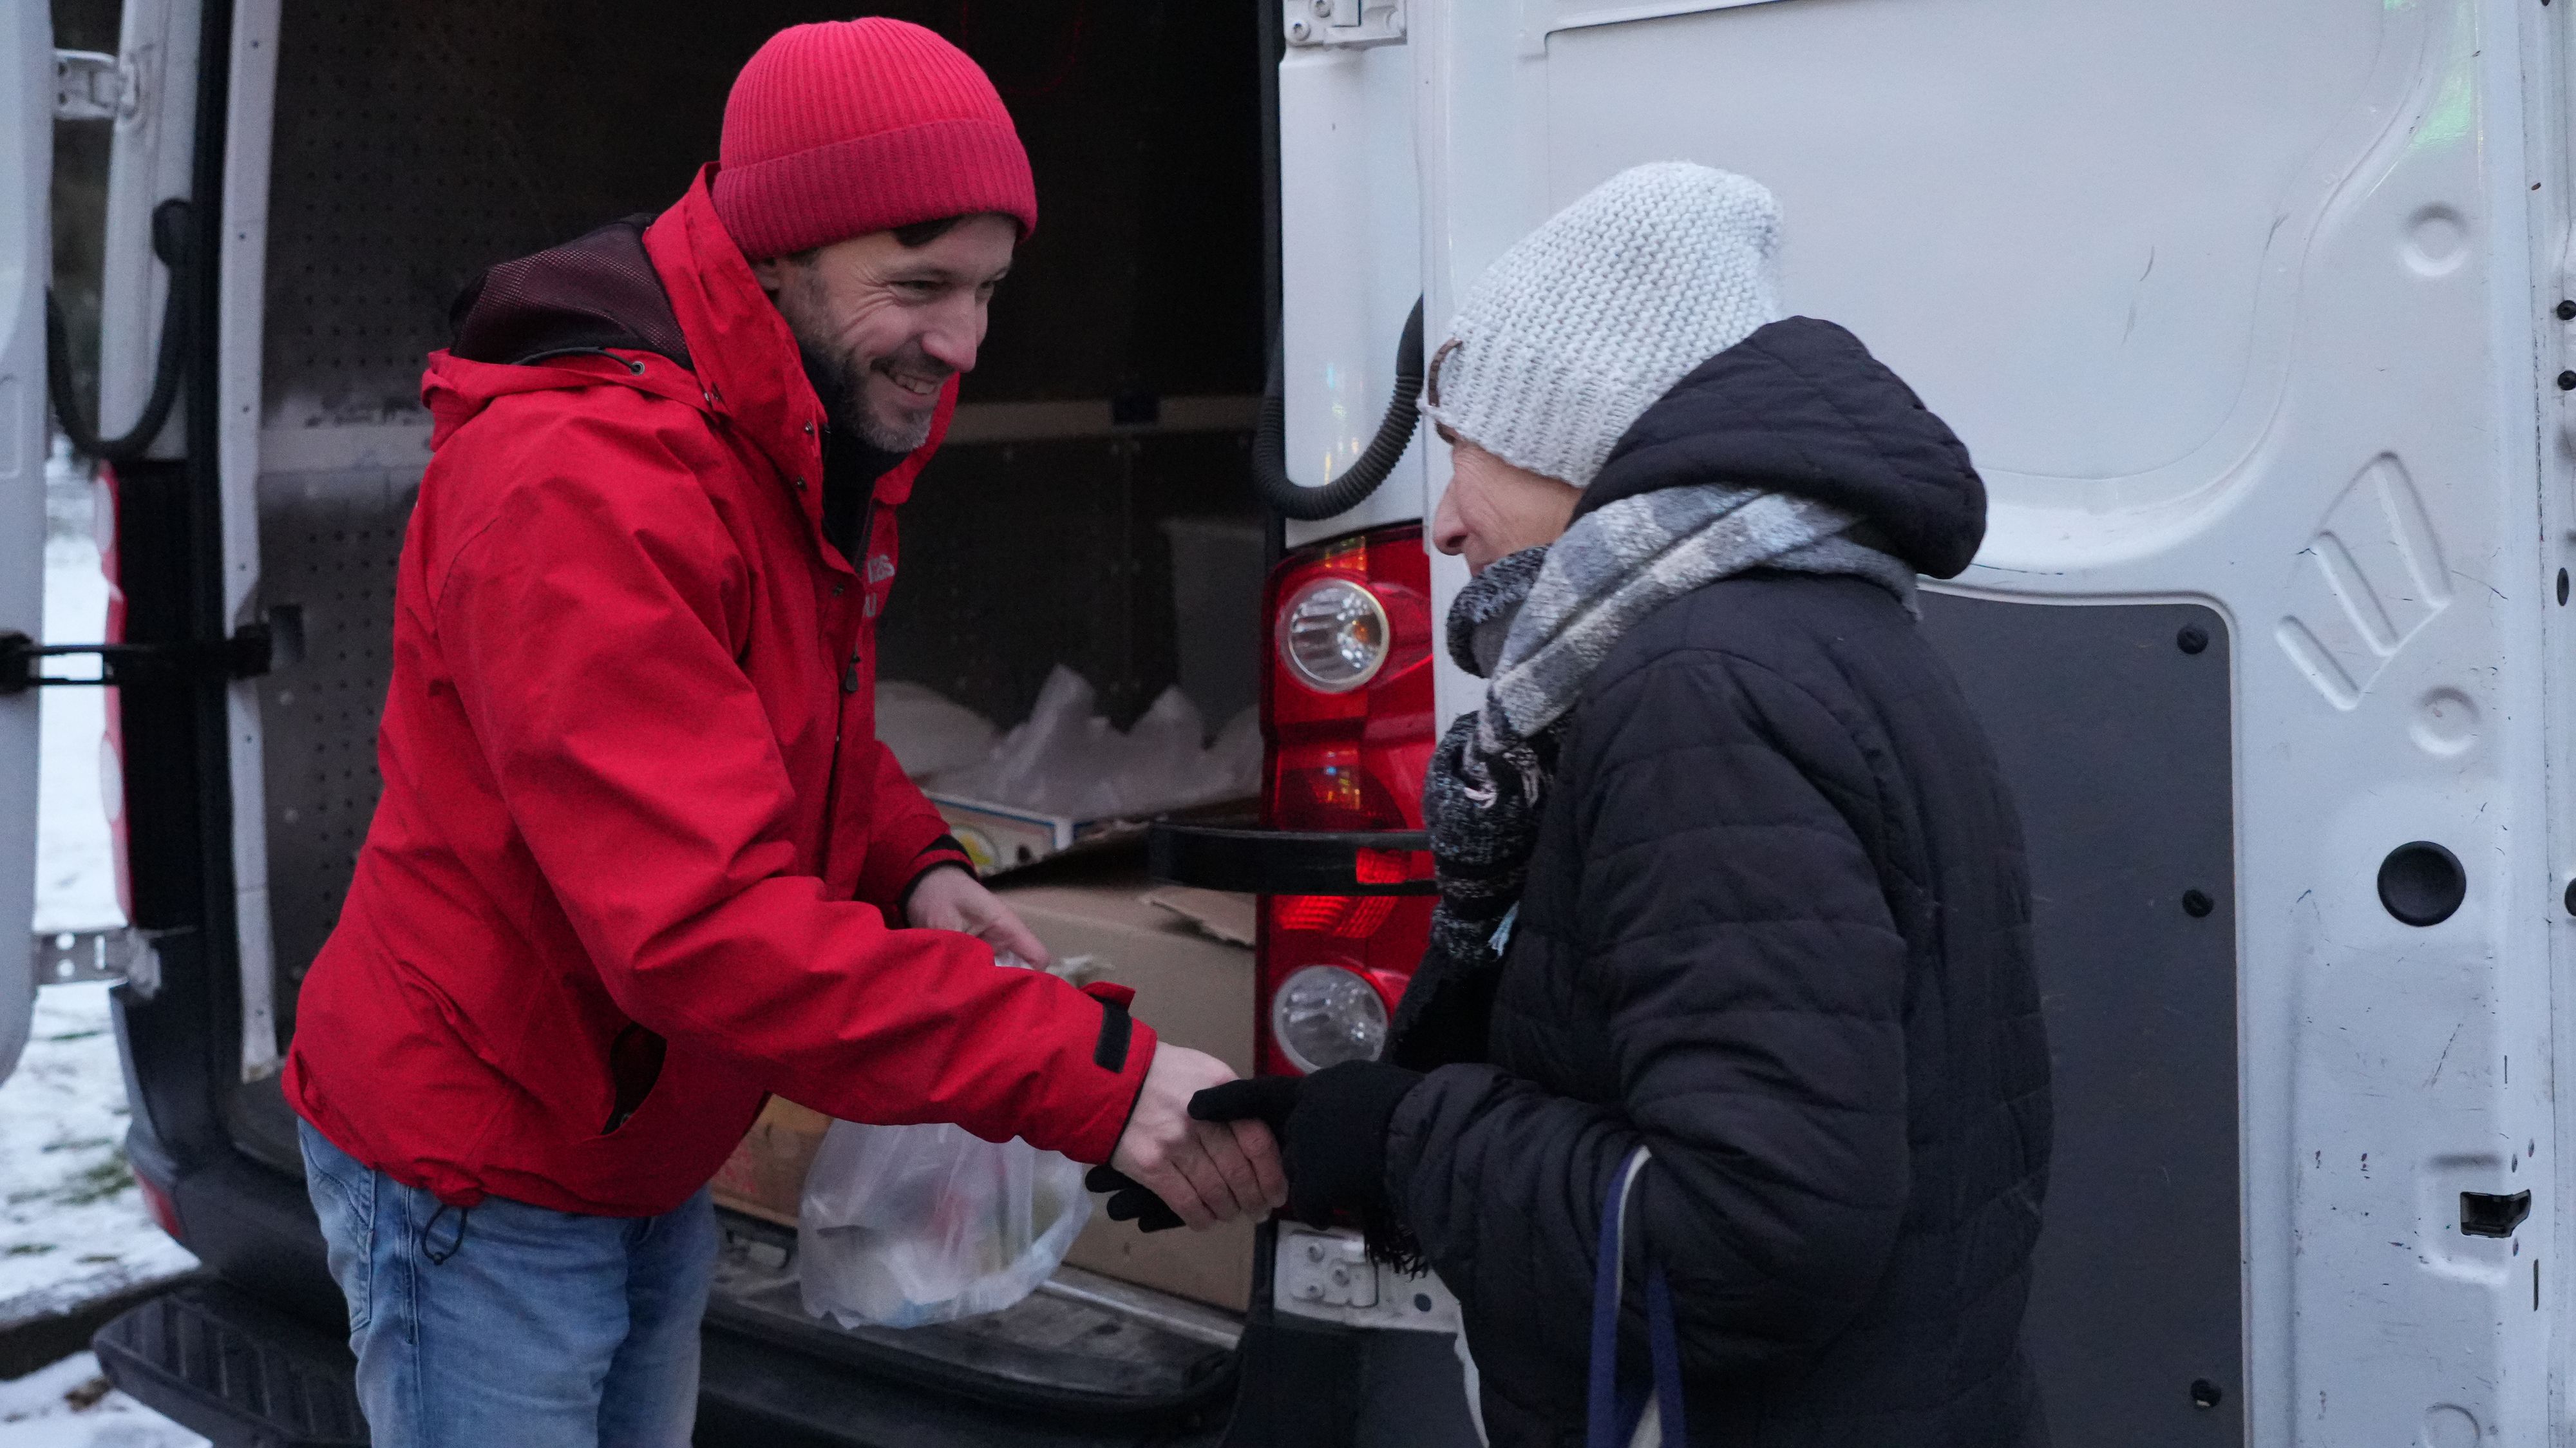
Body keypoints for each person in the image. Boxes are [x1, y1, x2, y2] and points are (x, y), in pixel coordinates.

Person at [280, 20, 1281, 1447]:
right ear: (773, 253)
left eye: (989, 288)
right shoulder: (587, 483)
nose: (966, 340)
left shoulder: (780, 422)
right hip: (481, 1161)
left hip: (638, 1134)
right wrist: (1089, 1077)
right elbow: (698, 924)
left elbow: (781, 722)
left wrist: (911, 864)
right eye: (920, 285)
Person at [1193, 163, 2052, 1445]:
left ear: (1571, 442)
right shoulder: (1797, 638)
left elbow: (1748, 1225)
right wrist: (1338, 1133)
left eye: (1463, 447)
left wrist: (1405, 1135)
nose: (1439, 520)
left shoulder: (1696, 696)